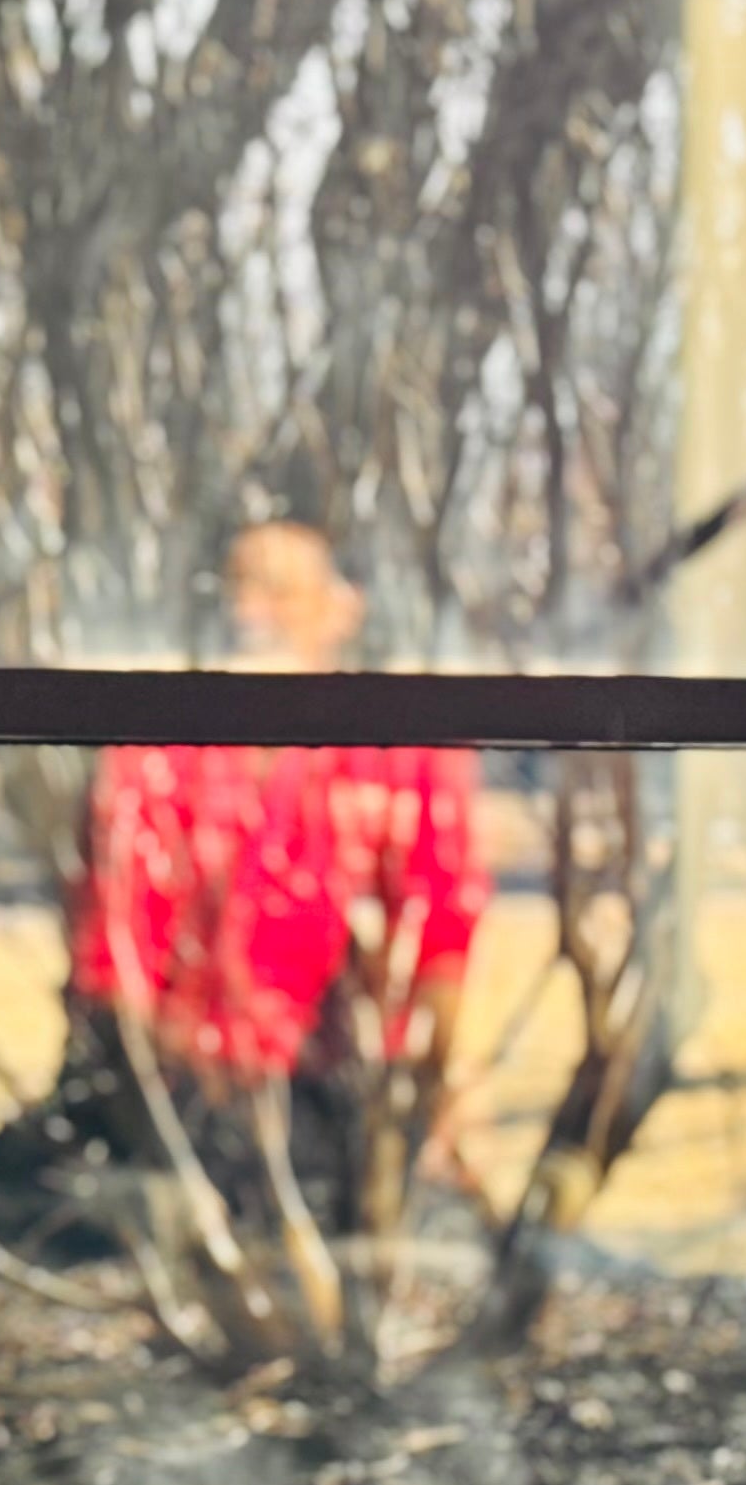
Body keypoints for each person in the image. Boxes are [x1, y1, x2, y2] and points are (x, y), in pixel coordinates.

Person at [73, 520, 488, 1220]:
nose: (249, 614)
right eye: (236, 589)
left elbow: (443, 935)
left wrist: (431, 1098)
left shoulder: (399, 752)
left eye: (278, 591)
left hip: (345, 1098)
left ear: (341, 606)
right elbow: (116, 959)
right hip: (188, 1097)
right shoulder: (158, 751)